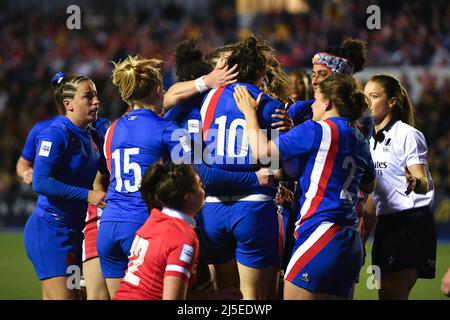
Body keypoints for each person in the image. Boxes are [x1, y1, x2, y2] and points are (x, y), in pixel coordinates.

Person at [233, 74, 376, 299]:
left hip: (320, 233)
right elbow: (369, 184)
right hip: (350, 240)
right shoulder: (359, 139)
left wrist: (249, 112)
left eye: (316, 100)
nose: (313, 107)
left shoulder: (315, 129)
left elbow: (262, 153)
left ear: (327, 102)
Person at [196, 36, 284, 300]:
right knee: (253, 298)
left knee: (226, 296)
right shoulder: (270, 105)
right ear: (261, 71)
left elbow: (199, 156)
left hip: (213, 208)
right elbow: (277, 168)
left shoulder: (207, 100)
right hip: (253, 208)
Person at [23, 72, 107, 300]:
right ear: (68, 104)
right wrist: (87, 194)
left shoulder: (94, 136)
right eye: (88, 97)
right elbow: (40, 182)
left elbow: (108, 176)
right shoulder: (55, 133)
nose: (96, 101)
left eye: (96, 96)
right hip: (50, 229)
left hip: (73, 232)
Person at [114, 162, 242, 300]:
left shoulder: (155, 220)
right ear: (188, 197)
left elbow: (167, 290)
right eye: (199, 185)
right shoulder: (182, 236)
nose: (203, 189)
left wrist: (214, 297)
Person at [363, 74, 436, 300]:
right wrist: (361, 237)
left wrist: (416, 183)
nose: (367, 102)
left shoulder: (407, 135)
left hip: (410, 223)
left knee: (393, 295)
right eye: (365, 97)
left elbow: (423, 183)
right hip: (386, 225)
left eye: (374, 96)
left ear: (392, 102)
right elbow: (375, 196)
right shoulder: (367, 139)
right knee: (382, 293)